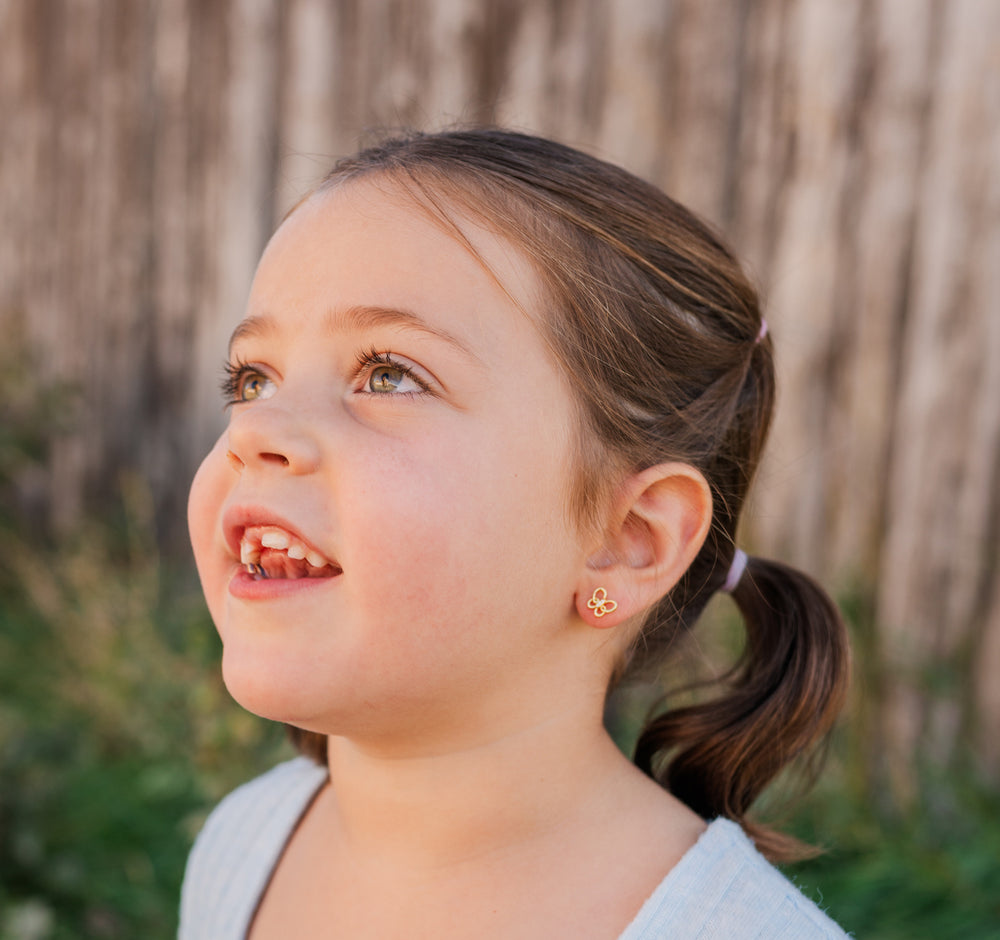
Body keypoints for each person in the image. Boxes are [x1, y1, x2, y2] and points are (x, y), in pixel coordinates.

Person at [179, 128, 851, 939]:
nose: (258, 429)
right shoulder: (244, 847)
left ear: (629, 538)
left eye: (388, 374)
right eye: (253, 378)